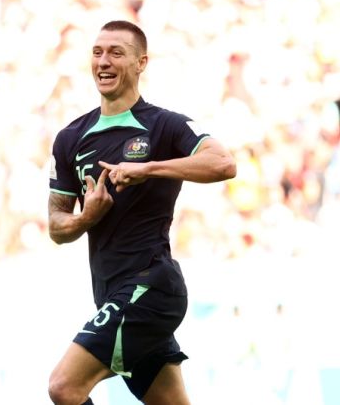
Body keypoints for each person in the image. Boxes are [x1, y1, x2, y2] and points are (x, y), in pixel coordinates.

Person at [47, 20, 236, 405]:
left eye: (116, 53)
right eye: (97, 52)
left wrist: (149, 168)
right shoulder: (71, 138)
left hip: (149, 287)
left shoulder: (164, 125)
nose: (104, 61)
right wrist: (86, 218)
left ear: (141, 63)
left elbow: (223, 163)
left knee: (64, 387)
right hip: (112, 294)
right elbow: (57, 226)